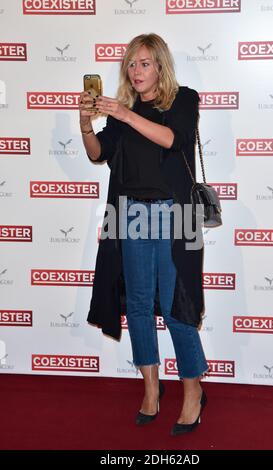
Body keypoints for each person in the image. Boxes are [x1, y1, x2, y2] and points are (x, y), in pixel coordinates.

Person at [79, 33, 209, 436]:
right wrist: (86, 122)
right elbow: (97, 153)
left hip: (175, 215)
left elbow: (174, 140)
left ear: (160, 67)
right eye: (131, 64)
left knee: (176, 308)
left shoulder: (183, 100)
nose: (136, 70)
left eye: (145, 63)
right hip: (131, 214)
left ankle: (192, 391)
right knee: (136, 305)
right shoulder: (125, 109)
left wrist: (124, 114)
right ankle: (151, 389)